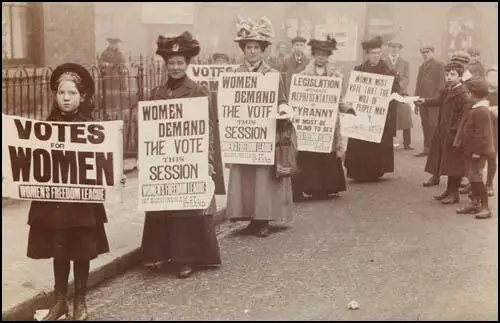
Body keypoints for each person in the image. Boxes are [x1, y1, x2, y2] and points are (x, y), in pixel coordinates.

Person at [27, 63, 117, 321]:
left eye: (72, 93)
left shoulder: (92, 128)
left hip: (81, 202)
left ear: (83, 96)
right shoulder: (45, 127)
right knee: (59, 249)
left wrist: (114, 173)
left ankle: (80, 300)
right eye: (62, 93)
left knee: (80, 249)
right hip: (54, 200)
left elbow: (104, 162)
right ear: (55, 96)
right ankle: (59, 301)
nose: (66, 98)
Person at [140, 31, 222, 279]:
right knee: (163, 205)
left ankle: (186, 258)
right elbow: (150, 131)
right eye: (171, 63)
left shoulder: (198, 91)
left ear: (187, 64)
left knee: (187, 209)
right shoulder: (156, 93)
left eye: (179, 63)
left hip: (190, 160)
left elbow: (207, 128)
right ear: (165, 65)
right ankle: (161, 254)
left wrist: (207, 161)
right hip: (165, 160)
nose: (175, 67)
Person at [226, 16, 295, 238]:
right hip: (243, 134)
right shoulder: (235, 75)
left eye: (256, 47)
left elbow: (282, 100)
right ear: (243, 49)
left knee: (262, 177)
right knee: (245, 176)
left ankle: (263, 219)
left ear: (263, 50)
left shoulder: (273, 75)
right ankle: (249, 216)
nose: (252, 51)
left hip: (265, 133)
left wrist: (284, 110)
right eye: (248, 47)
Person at [292, 35, 355, 201]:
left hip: (328, 123)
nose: (321, 57)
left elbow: (339, 98)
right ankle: (309, 186)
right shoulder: (303, 75)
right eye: (318, 54)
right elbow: (298, 98)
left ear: (328, 57)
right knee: (309, 154)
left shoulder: (335, 76)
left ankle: (326, 187)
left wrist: (347, 108)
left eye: (325, 54)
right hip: (310, 122)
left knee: (327, 153)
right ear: (313, 55)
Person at [344, 36, 404, 182]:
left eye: (378, 53)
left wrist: (393, 95)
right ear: (367, 54)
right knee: (361, 141)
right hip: (362, 113)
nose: (375, 56)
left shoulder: (388, 72)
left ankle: (376, 170)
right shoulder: (358, 70)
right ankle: (359, 172)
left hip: (380, 115)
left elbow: (395, 91)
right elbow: (353, 91)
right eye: (372, 53)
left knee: (377, 143)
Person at [416, 62, 469, 205]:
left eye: (453, 75)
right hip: (443, 132)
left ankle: (454, 193)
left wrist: (455, 132)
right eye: (447, 75)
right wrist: (425, 101)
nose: (449, 78)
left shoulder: (462, 94)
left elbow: (463, 117)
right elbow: (438, 100)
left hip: (454, 135)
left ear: (460, 76)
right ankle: (449, 190)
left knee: (454, 164)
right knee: (447, 162)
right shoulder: (448, 90)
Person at [454, 79, 495, 219]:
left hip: (479, 151)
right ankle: (475, 202)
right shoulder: (476, 109)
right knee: (472, 176)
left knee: (476, 177)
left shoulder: (481, 111)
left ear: (474, 94)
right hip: (473, 150)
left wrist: (477, 152)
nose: (466, 95)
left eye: (467, 93)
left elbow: (482, 135)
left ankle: (484, 206)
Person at [414, 46, 446, 159]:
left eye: (427, 52)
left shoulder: (439, 65)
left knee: (434, 125)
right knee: (425, 124)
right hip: (423, 101)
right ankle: (426, 148)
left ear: (432, 53)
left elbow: (442, 84)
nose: (425, 54)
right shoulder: (421, 67)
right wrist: (416, 100)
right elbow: (418, 84)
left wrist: (437, 99)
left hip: (434, 102)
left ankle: (435, 150)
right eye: (423, 53)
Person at [384, 38, 413, 150]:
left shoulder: (405, 63)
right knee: (389, 117)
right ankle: (388, 141)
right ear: (389, 48)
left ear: (400, 49)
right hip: (387, 93)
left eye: (397, 47)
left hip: (401, 93)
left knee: (405, 116)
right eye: (393, 47)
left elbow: (407, 78)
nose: (395, 49)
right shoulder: (383, 61)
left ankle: (407, 143)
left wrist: (399, 86)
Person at [486, 66, 498, 196]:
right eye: (493, 76)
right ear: (486, 78)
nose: (496, 79)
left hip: (495, 130)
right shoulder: (481, 91)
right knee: (475, 158)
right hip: (480, 130)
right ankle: (473, 184)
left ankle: (489, 183)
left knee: (492, 157)